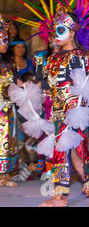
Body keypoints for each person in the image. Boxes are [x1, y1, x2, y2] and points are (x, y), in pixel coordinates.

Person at [35, 0, 89, 207]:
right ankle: (60, 196)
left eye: (61, 30)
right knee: (57, 154)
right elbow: (46, 82)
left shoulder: (79, 55)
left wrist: (76, 109)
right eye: (54, 30)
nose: (56, 34)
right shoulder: (52, 57)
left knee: (78, 152)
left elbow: (86, 85)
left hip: (75, 111)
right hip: (55, 110)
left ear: (73, 32)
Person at [0, 18, 19, 187]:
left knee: (8, 141)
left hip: (7, 109)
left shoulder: (10, 63)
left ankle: (4, 176)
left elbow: (16, 82)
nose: (5, 43)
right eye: (2, 40)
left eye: (6, 39)